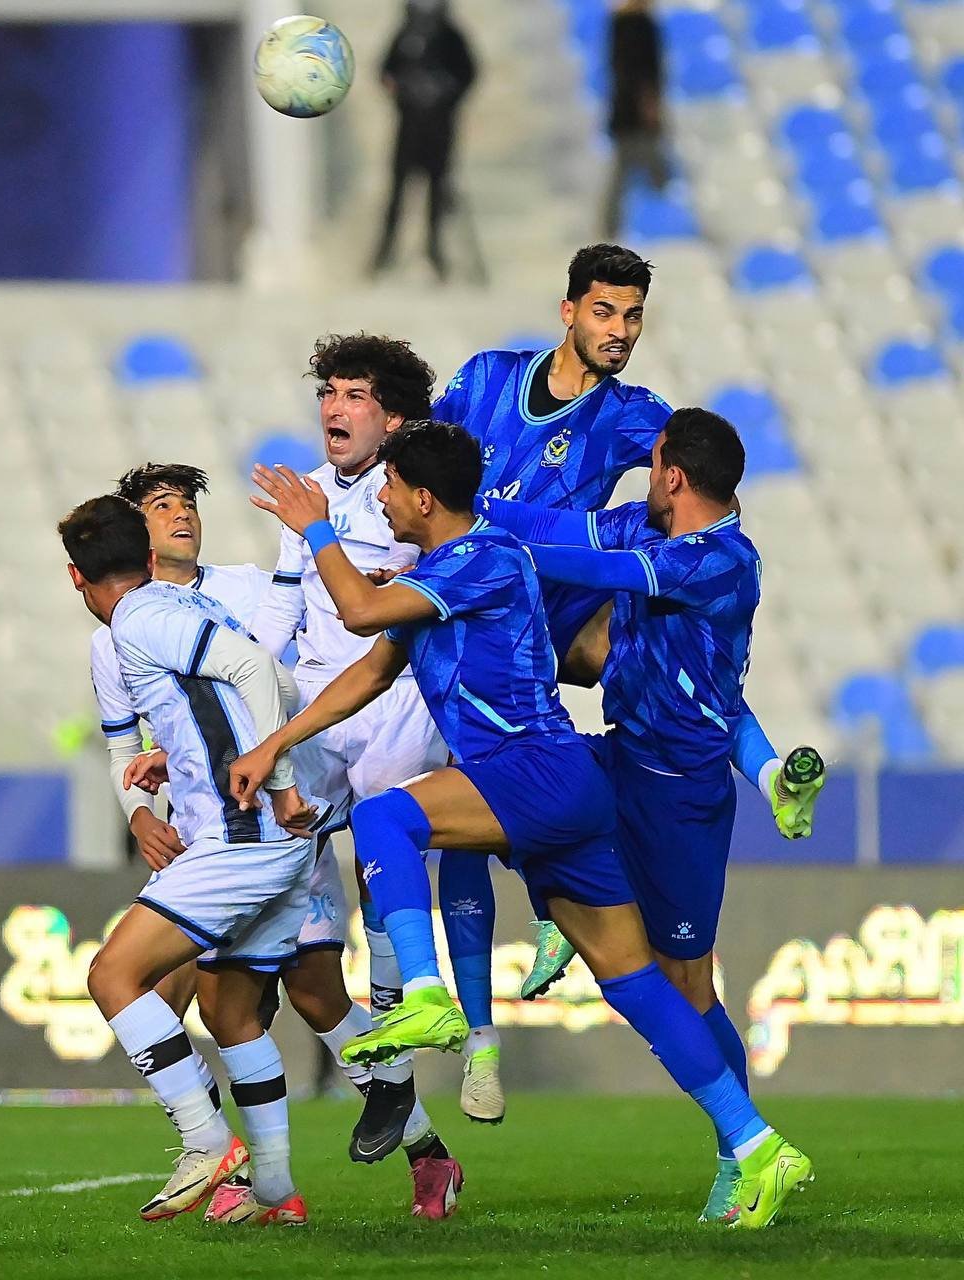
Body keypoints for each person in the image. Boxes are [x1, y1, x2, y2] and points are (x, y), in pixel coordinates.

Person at [231, 420, 815, 1230]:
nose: (383, 501)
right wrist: (275, 742)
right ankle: (757, 1146)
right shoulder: (449, 568)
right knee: (636, 982)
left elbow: (359, 612)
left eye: (390, 488)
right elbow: (371, 668)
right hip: (569, 784)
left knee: (385, 819)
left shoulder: (475, 560)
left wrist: (315, 527)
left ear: (423, 496)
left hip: (531, 774)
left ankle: (431, 996)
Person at [432, 244, 821, 1124]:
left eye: (634, 316)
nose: (620, 331)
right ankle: (500, 991)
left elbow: (675, 500)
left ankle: (741, 1139)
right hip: (485, 607)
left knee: (671, 669)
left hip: (567, 613)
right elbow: (425, 462)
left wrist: (507, 536)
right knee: (502, 795)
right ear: (568, 310)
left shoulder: (641, 419)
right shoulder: (486, 378)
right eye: (606, 312)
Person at [480, 409, 822, 1221]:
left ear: (672, 474)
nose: (643, 471)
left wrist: (494, 554)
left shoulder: (723, 560)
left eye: (653, 461)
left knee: (688, 988)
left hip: (680, 796)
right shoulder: (646, 521)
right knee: (503, 794)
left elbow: (607, 574)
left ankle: (744, 1155)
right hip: (623, 756)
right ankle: (561, 901)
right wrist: (472, 507)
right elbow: (556, 523)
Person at [251, 334, 464, 1216]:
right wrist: (243, 722)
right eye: (329, 392)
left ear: (396, 414)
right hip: (316, 716)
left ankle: (378, 1085)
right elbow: (275, 615)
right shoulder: (309, 493)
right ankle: (412, 1130)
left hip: (396, 699)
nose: (335, 408)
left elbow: (414, 596)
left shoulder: (418, 494)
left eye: (355, 395)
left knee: (384, 884)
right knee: (297, 952)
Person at [61, 494, 317, 1226]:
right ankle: (274, 1190)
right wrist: (184, 754)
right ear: (145, 557)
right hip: (274, 835)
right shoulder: (188, 610)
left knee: (113, 974)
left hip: (242, 833)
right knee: (232, 1011)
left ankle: (206, 1141)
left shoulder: (137, 620)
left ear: (76, 579)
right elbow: (282, 679)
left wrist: (279, 779)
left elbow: (253, 673)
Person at [370, 0, 476, 280]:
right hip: (408, 128)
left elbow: (468, 74)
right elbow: (384, 71)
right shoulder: (405, 35)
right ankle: (384, 256)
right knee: (397, 195)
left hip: (439, 130)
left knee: (437, 195)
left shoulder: (452, 37)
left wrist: (442, 94)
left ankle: (436, 254)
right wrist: (404, 91)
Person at [602, 0, 667, 239]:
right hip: (633, 113)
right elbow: (638, 70)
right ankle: (619, 226)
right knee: (649, 171)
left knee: (628, 172)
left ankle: (616, 226)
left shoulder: (625, 22)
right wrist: (648, 105)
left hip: (628, 110)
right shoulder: (633, 24)